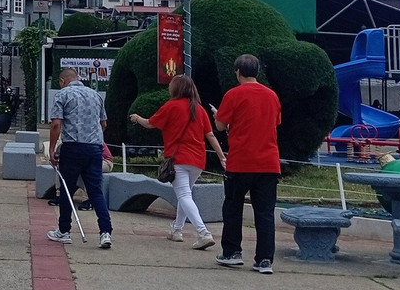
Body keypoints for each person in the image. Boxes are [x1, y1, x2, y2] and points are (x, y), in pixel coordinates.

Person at [129, 74, 226, 250]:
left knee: (184, 196)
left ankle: (203, 232)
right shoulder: (199, 109)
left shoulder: (171, 106)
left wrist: (137, 118)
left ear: (176, 88)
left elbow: (150, 123)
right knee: (185, 195)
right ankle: (177, 230)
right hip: (198, 160)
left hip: (178, 158)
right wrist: (222, 157)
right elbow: (210, 135)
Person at [212, 54, 281, 275]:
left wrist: (218, 117)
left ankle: (232, 253)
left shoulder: (233, 94)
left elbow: (220, 125)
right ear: (257, 71)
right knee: (265, 213)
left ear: (238, 72)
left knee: (233, 207)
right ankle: (264, 260)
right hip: (268, 162)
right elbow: (275, 122)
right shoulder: (272, 96)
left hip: (240, 161)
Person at [47, 67, 113, 248]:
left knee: (67, 190)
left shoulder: (62, 94)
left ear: (62, 81)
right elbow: (103, 124)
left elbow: (56, 124)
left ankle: (64, 230)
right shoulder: (95, 95)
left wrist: (52, 149)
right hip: (95, 148)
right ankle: (105, 232)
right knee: (96, 191)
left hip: (72, 147)